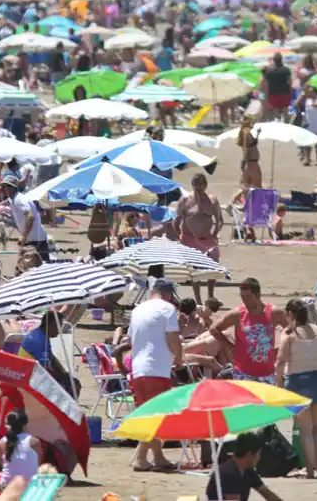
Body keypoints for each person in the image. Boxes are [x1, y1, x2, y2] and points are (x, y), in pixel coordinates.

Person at [275, 299, 317, 479]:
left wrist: (278, 383)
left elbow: (281, 360)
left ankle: (311, 471)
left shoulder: (288, 334)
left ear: (290, 314)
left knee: (305, 430)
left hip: (297, 381)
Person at [128, 278, 183, 472]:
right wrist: (179, 358)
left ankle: (155, 457)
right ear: (168, 295)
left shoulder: (137, 310)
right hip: (156, 368)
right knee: (157, 415)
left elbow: (131, 338)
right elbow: (173, 337)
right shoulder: (168, 309)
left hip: (138, 367)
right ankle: (142, 458)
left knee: (149, 413)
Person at [210, 277, 288, 383]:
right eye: (242, 297)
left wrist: (280, 351)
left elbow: (291, 331)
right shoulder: (237, 314)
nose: (245, 300)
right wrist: (231, 347)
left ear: (258, 295)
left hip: (267, 372)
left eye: (248, 297)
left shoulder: (274, 313)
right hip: (242, 372)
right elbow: (214, 329)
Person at [176, 173, 223, 304]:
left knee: (213, 266)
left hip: (207, 238)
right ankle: (198, 300)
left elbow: (219, 220)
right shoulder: (186, 200)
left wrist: (214, 234)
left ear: (205, 185)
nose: (199, 187)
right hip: (189, 238)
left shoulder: (212, 200)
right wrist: (180, 238)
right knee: (195, 270)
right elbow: (176, 220)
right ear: (192, 185)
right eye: (196, 185)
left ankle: (210, 297)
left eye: (201, 185)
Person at [18, 311, 80, 398]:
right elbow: (45, 371)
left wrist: (64, 373)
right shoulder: (40, 341)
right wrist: (64, 378)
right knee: (72, 387)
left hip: (33, 373)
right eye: (58, 326)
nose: (60, 329)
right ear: (51, 325)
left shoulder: (41, 334)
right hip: (30, 378)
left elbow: (52, 358)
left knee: (72, 382)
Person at [205, 432, 283, 501]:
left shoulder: (248, 471)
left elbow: (267, 493)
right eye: (258, 454)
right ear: (249, 455)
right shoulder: (228, 473)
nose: (259, 458)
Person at [0, 176, 49, 261]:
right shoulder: (14, 199)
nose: (4, 188)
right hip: (32, 239)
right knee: (27, 266)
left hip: (35, 240)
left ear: (13, 188)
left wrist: (23, 236)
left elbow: (30, 217)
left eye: (7, 186)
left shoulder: (19, 200)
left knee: (37, 268)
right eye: (3, 186)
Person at [0, 409, 42, 488]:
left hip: (7, 487)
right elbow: (37, 463)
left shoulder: (1, 443)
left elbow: (3, 465)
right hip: (31, 487)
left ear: (7, 425)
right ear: (25, 425)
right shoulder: (34, 442)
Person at [263, 52, 292, 121]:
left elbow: (266, 85)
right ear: (281, 59)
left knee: (275, 111)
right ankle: (287, 126)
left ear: (274, 60)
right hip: (285, 93)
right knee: (285, 111)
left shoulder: (269, 71)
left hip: (273, 94)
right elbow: (290, 83)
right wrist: (290, 93)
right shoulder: (286, 70)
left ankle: (277, 125)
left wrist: (266, 97)